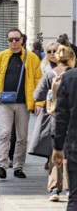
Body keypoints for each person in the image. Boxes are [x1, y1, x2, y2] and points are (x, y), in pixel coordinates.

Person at [0, 28, 43, 179]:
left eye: (16, 39)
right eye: (10, 39)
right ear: (7, 41)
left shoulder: (32, 58)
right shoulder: (0, 57)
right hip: (4, 103)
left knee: (21, 136)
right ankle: (1, 164)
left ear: (22, 40)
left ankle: (18, 166)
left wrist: (39, 102)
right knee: (4, 133)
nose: (13, 42)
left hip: (23, 103)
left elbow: (38, 81)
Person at [31, 45, 74, 202]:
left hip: (53, 118)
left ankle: (54, 188)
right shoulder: (74, 75)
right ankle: (71, 188)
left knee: (54, 153)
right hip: (71, 119)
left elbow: (37, 95)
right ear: (71, 59)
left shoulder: (50, 74)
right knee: (69, 155)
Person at [52, 50, 77, 209]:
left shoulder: (70, 78)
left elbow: (62, 116)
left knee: (75, 197)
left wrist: (58, 147)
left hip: (75, 143)